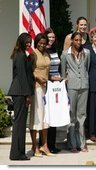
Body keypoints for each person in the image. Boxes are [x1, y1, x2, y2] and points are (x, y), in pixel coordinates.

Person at [61, 32, 90, 153]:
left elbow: (86, 68)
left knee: (82, 115)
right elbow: (63, 72)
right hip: (71, 86)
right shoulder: (65, 54)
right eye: (76, 40)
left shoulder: (87, 53)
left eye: (80, 40)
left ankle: (82, 143)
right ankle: (72, 143)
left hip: (84, 86)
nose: (78, 42)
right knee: (71, 114)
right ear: (72, 40)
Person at [8, 33, 34, 161]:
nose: (29, 44)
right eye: (27, 42)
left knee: (20, 123)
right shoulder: (20, 55)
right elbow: (23, 77)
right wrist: (27, 95)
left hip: (19, 91)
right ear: (22, 41)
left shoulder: (22, 54)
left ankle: (18, 153)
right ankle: (17, 154)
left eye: (30, 42)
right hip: (20, 92)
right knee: (19, 124)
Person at [29, 33, 53, 157]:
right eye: (40, 42)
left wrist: (55, 79)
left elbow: (48, 72)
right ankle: (34, 146)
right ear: (36, 42)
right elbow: (28, 71)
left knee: (45, 118)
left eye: (44, 43)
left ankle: (44, 145)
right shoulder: (32, 55)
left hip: (46, 89)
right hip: (36, 89)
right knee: (36, 117)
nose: (42, 44)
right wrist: (37, 78)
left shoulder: (46, 54)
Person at [43, 28, 63, 153]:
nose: (51, 39)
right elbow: (42, 69)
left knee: (55, 114)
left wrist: (61, 78)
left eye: (53, 37)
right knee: (47, 115)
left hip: (57, 86)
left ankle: (52, 144)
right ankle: (44, 144)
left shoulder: (56, 50)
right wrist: (51, 78)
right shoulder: (43, 51)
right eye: (49, 37)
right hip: (47, 84)